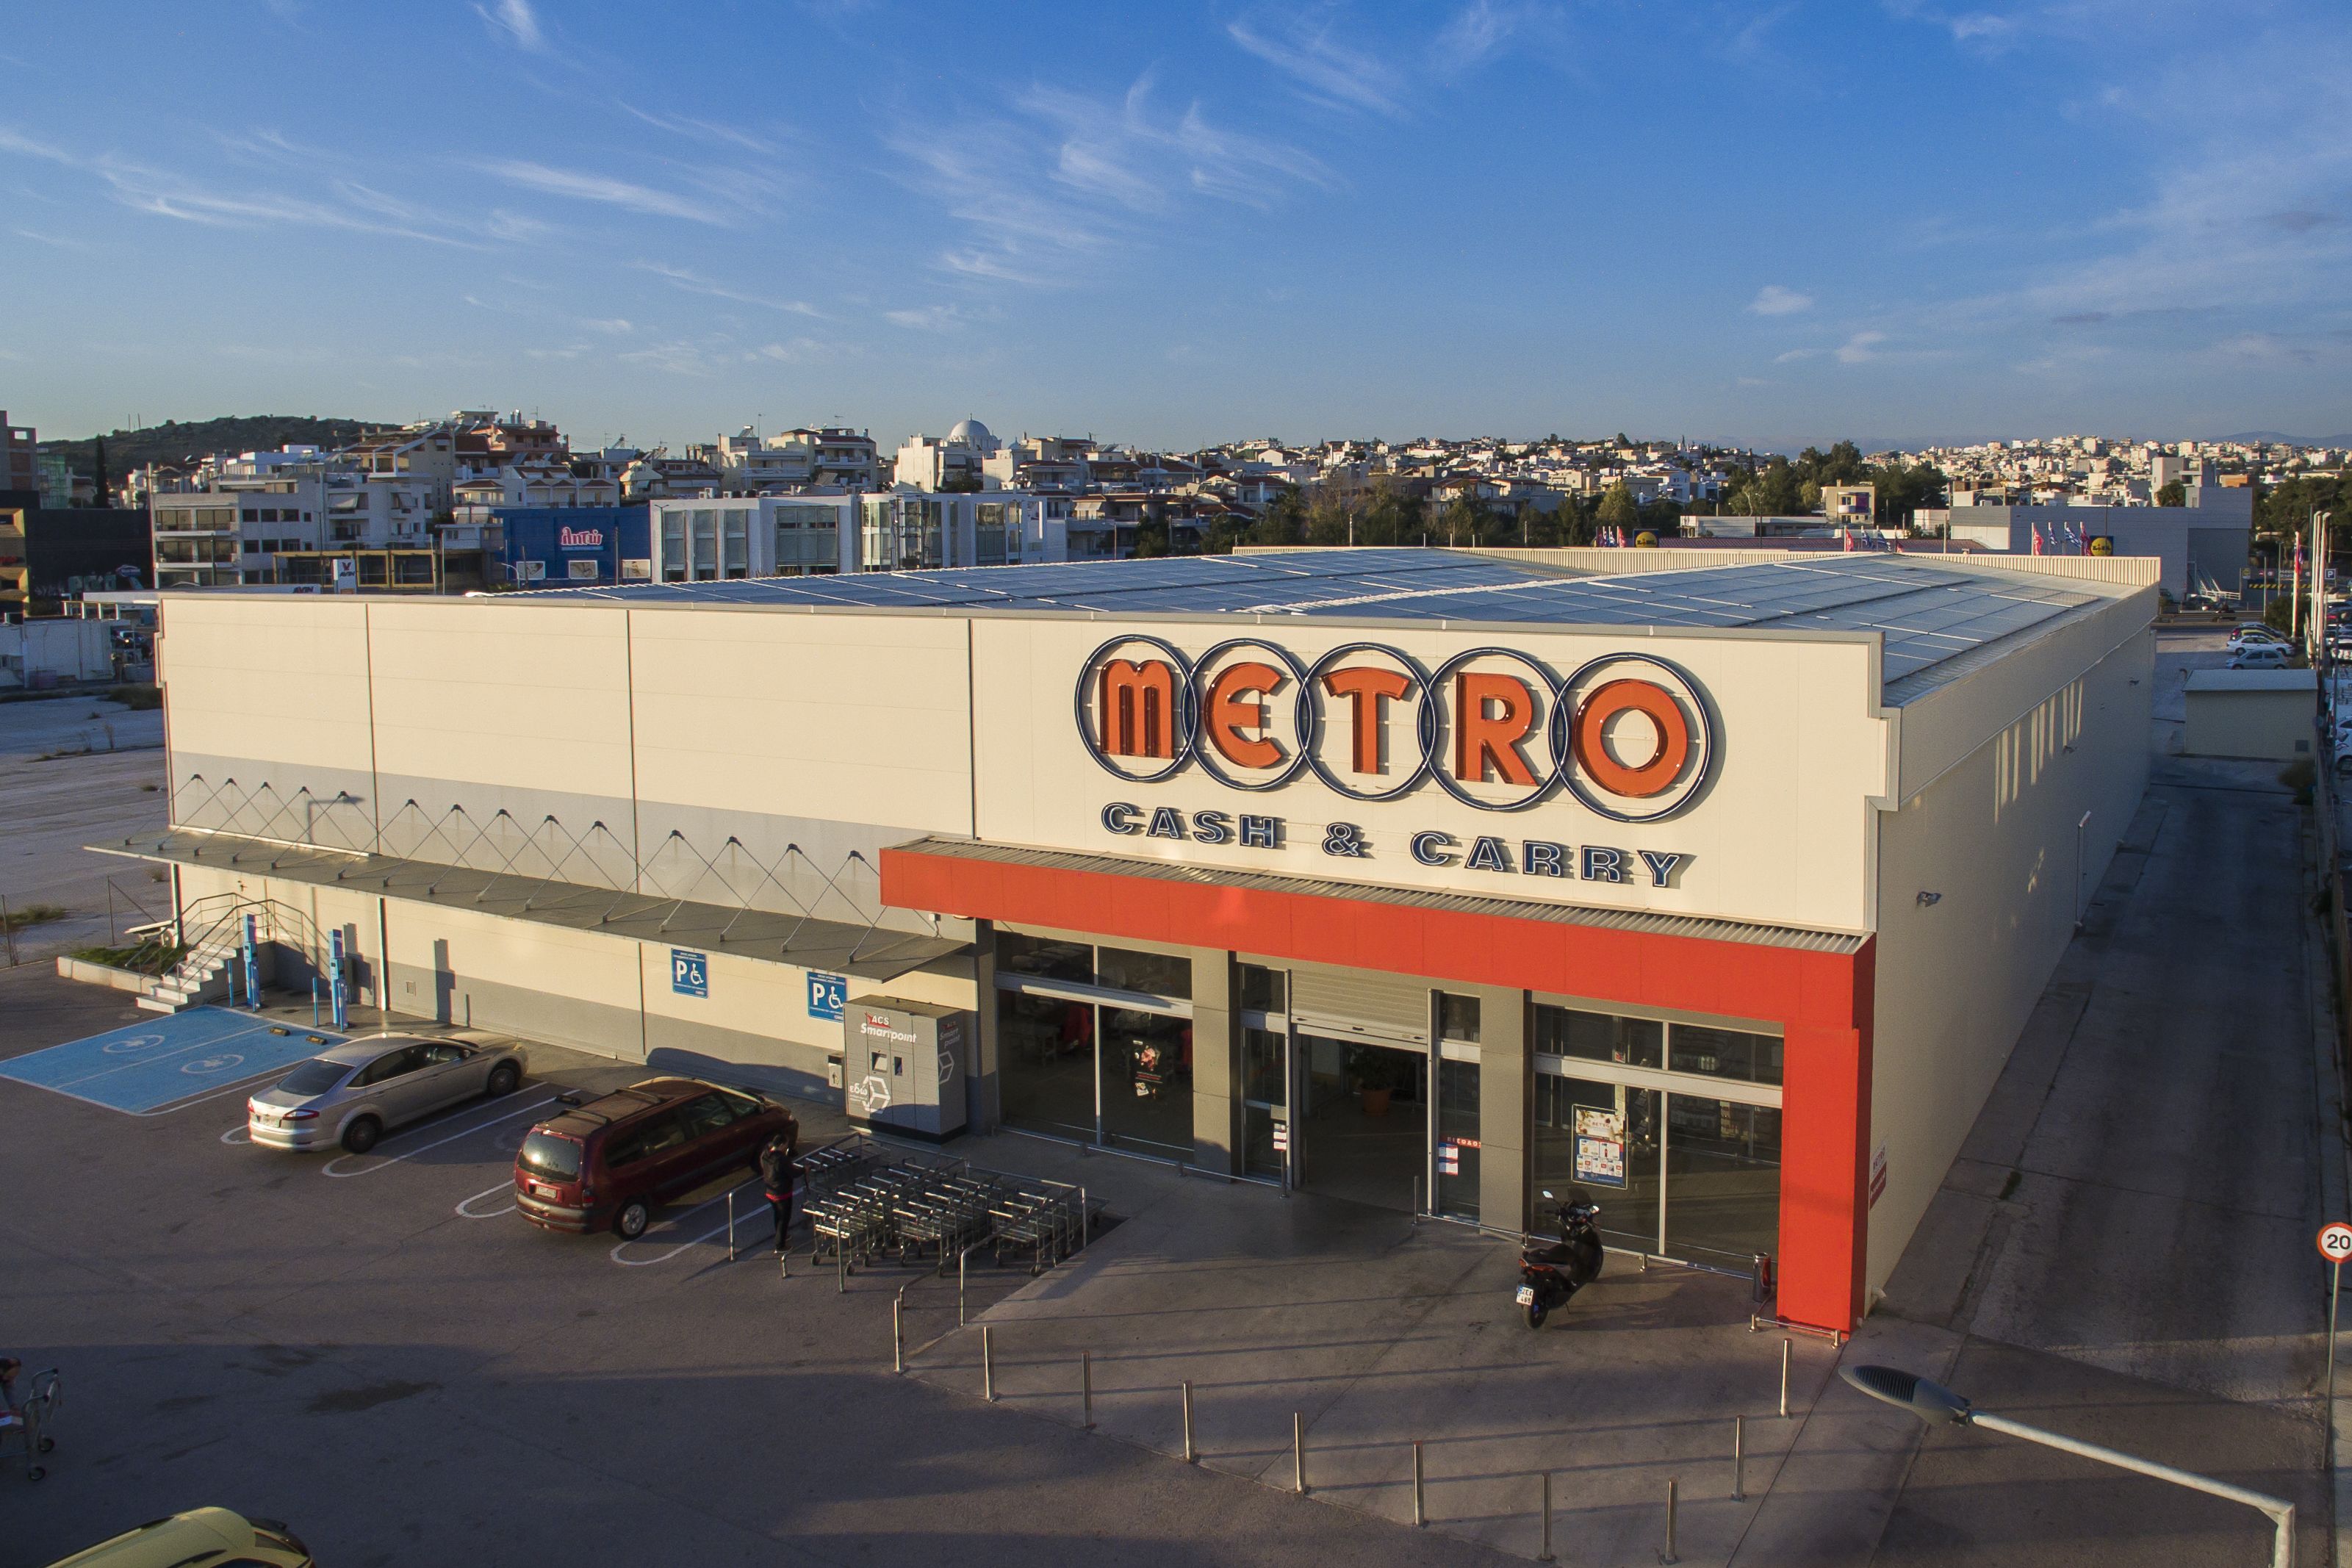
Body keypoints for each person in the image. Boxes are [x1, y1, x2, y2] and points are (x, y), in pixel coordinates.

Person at [756, 1120, 799, 1257]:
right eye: (786, 1144)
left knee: (777, 1215)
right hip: (782, 1192)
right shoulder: (781, 1159)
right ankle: (780, 1245)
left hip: (770, 1191)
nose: (787, 1146)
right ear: (781, 1145)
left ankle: (782, 1236)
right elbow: (792, 1173)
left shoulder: (766, 1154)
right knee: (784, 1218)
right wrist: (805, 1170)